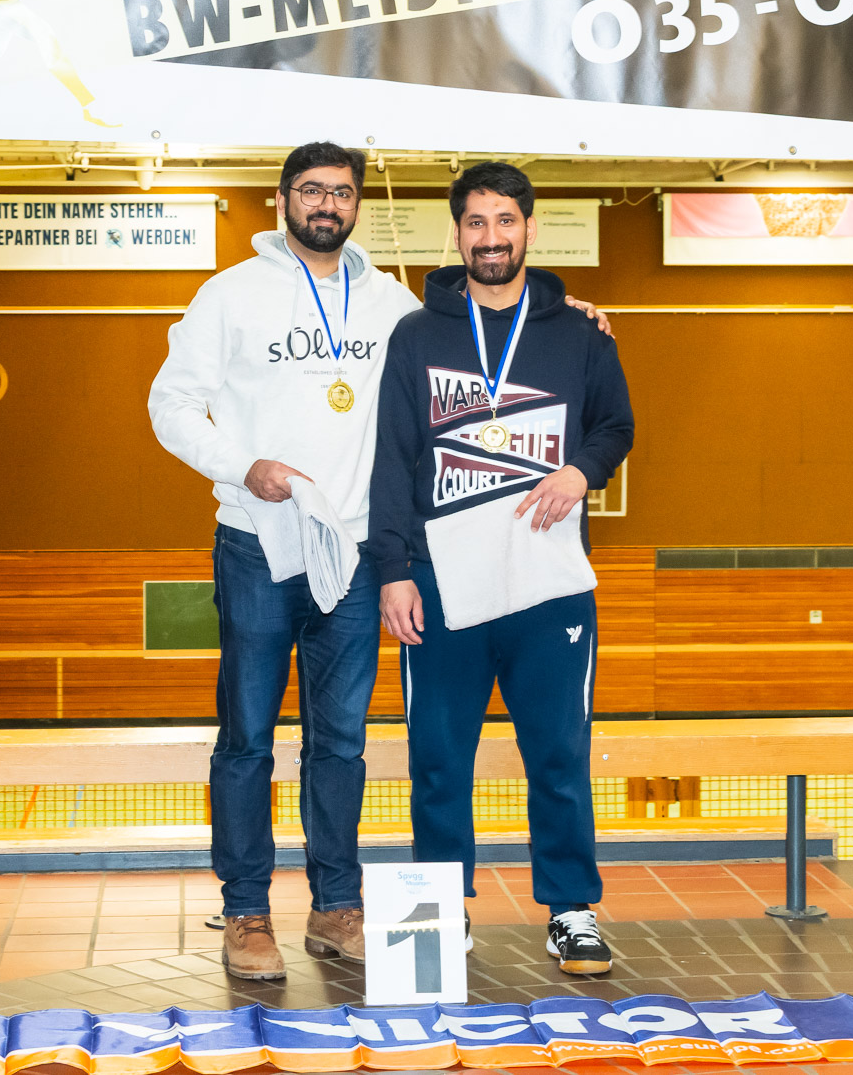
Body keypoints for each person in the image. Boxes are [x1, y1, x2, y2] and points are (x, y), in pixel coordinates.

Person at [149, 143, 608, 980]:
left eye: (341, 192)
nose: (327, 204)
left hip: (357, 554)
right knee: (247, 740)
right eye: (311, 190)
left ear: (358, 204)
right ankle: (247, 912)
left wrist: (558, 307)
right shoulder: (229, 294)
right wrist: (239, 465)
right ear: (281, 199)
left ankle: (335, 905)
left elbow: (481, 316)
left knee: (341, 743)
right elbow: (170, 402)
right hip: (258, 541)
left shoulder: (392, 302)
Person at [369, 161, 634, 976]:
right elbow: (393, 459)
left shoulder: (580, 334)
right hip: (441, 584)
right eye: (476, 222)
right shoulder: (416, 335)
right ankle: (440, 914)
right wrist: (393, 570)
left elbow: (616, 426)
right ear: (457, 233)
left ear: (529, 229)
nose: (491, 237)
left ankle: (571, 911)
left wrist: (581, 471)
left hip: (548, 585)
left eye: (505, 221)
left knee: (559, 752)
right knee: (437, 759)